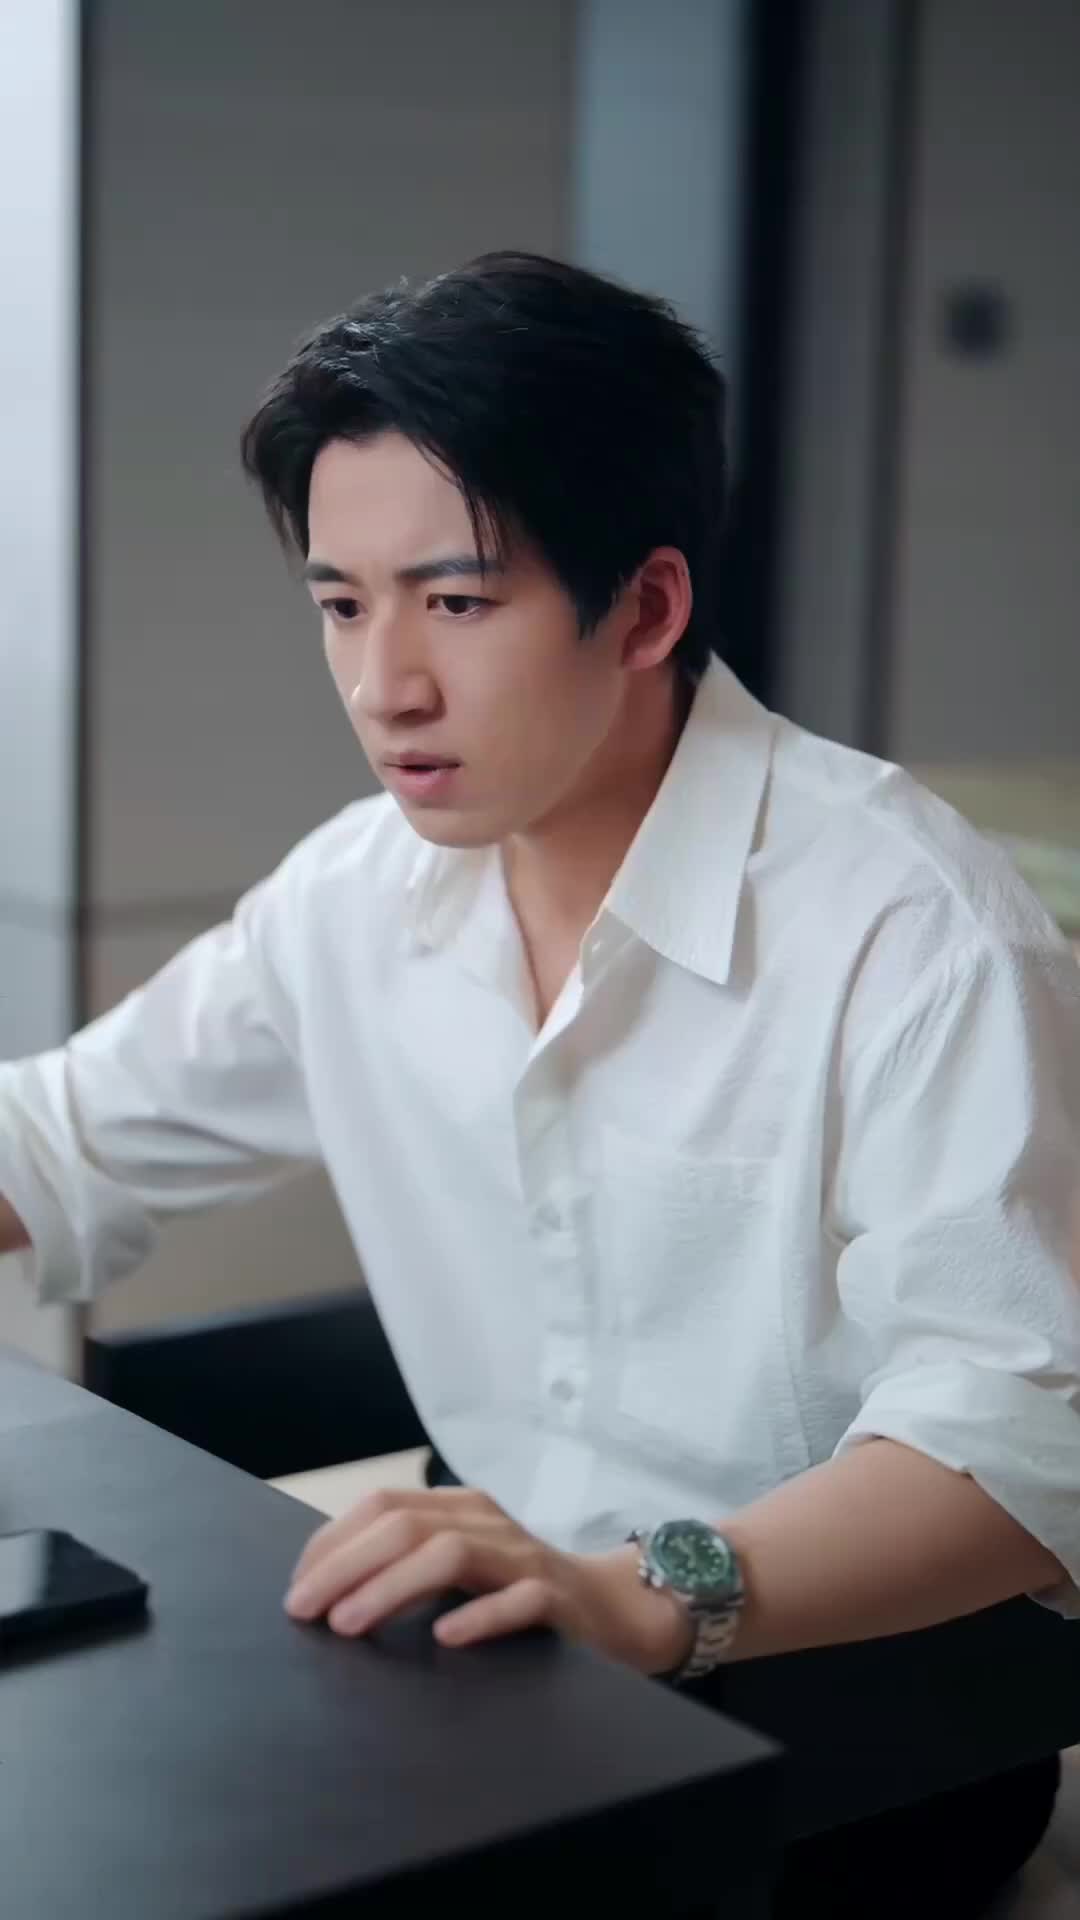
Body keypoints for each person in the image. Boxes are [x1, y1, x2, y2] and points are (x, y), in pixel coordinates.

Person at [1, 252, 1076, 1912]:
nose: (385, 686)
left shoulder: (913, 926)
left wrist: (651, 1595)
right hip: (509, 1644)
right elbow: (52, 1143)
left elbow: (1021, 1442)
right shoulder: (356, 895)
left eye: (456, 602)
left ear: (645, 609)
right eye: (343, 606)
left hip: (865, 1697)